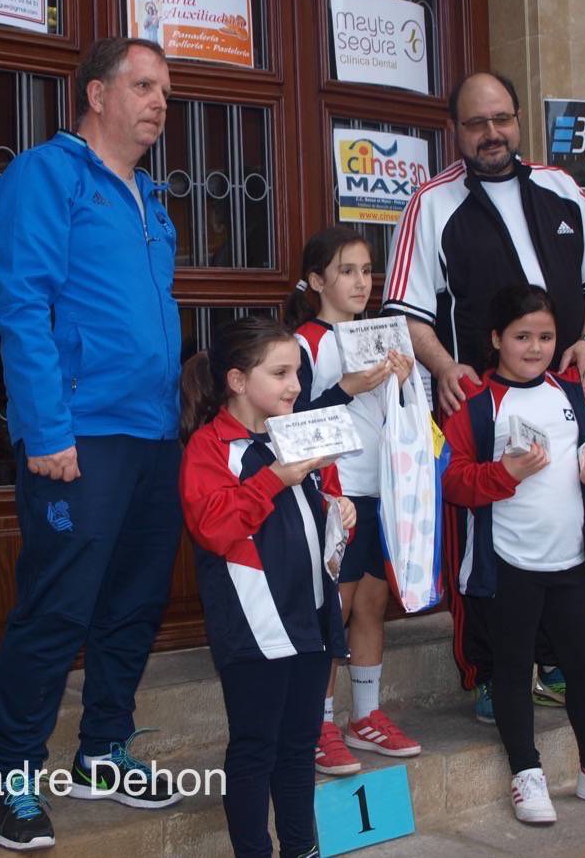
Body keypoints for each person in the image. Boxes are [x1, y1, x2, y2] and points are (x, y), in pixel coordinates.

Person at [0, 38, 182, 851]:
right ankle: (10, 773)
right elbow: (22, 305)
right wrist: (49, 428)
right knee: (58, 606)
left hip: (153, 435)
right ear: (96, 94)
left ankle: (102, 749)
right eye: (142, 86)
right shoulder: (46, 176)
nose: (159, 102)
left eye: (165, 90)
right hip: (78, 437)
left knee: (133, 604)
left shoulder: (151, 200)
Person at [382, 70, 585, 722]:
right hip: (481, 408)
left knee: (562, 530)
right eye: (476, 123)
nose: (492, 134)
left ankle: (559, 666)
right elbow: (406, 310)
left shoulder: (560, 187)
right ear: (455, 131)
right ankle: (491, 671)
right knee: (484, 548)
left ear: (519, 120)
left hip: (559, 397)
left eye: (501, 120)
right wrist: (443, 366)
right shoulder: (431, 202)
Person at [441, 284, 585, 824]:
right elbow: (455, 483)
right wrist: (504, 474)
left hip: (570, 564)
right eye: (521, 337)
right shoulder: (476, 407)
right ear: (495, 339)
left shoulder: (572, 395)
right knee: (512, 671)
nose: (534, 347)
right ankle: (526, 774)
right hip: (508, 567)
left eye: (545, 336)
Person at [179, 315, 356, 858]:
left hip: (310, 615)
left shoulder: (298, 428)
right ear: (237, 380)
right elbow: (214, 528)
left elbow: (322, 495)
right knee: (256, 749)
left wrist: (339, 509)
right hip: (254, 625)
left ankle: (301, 849)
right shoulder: (210, 449)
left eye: (297, 372)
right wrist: (277, 476)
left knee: (300, 748)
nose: (295, 386)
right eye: (280, 373)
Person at [283, 225, 418, 776]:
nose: (361, 282)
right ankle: (318, 723)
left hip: (381, 486)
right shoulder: (303, 343)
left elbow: (404, 416)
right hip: (331, 493)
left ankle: (366, 715)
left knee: (370, 603)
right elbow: (291, 421)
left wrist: (404, 383)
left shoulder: (384, 333)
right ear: (316, 280)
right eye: (346, 271)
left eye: (366, 270)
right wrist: (349, 387)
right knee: (329, 611)